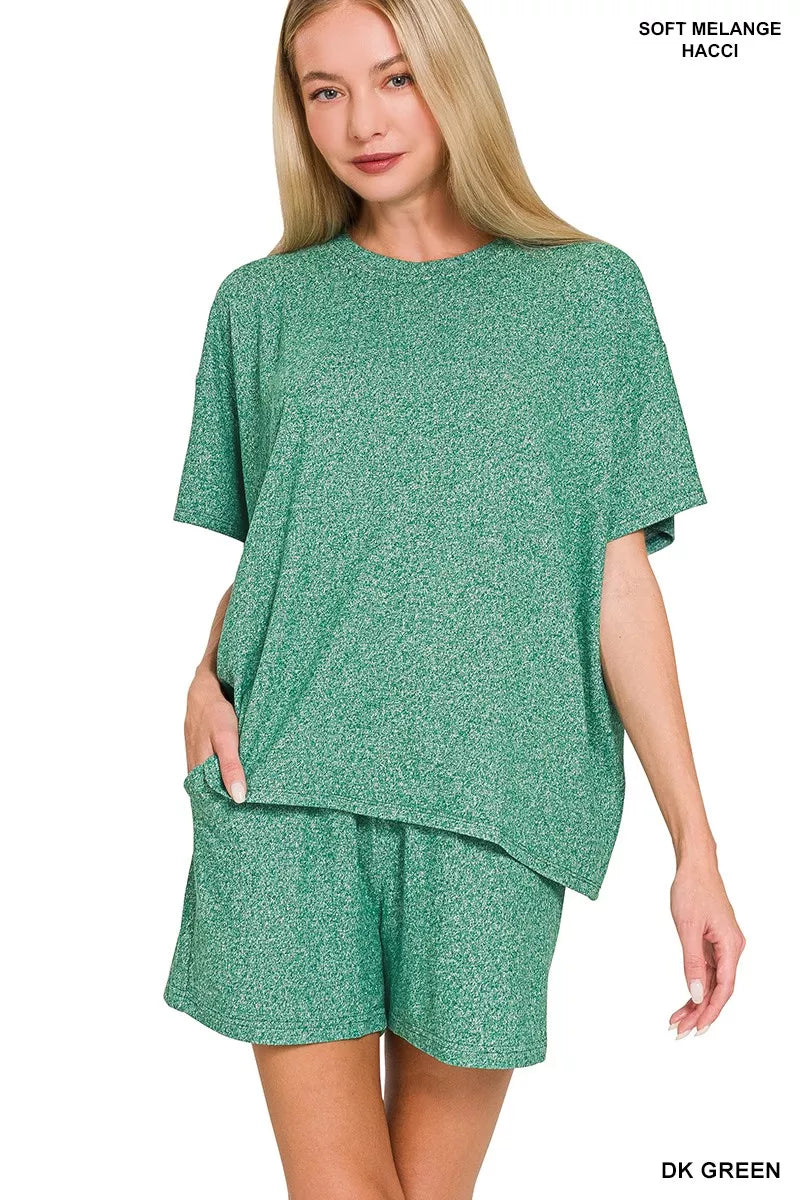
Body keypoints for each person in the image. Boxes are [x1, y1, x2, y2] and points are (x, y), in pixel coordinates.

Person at [163, 1, 746, 1196]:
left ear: (452, 78)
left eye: (394, 78)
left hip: (497, 798)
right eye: (324, 92)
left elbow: (613, 578)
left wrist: (693, 849)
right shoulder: (260, 305)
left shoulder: (588, 296)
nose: (360, 123)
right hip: (285, 786)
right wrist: (200, 675)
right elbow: (287, 546)